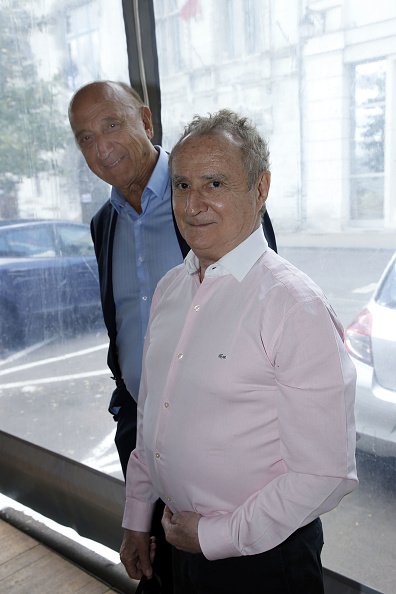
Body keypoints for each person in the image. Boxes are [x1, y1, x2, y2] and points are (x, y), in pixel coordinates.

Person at [119, 109, 359, 594]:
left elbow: (325, 473)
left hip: (260, 562)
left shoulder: (295, 307)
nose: (193, 204)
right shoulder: (171, 288)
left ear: (261, 187)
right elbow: (153, 419)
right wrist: (137, 516)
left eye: (214, 183)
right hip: (171, 543)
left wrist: (213, 536)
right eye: (183, 185)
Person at [68, 82, 277, 592]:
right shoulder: (104, 223)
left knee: (228, 573)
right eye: (85, 137)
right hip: (144, 435)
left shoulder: (209, 197)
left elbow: (263, 301)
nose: (101, 147)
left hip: (223, 448)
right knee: (163, 570)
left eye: (112, 125)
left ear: (145, 120)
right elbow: (124, 325)